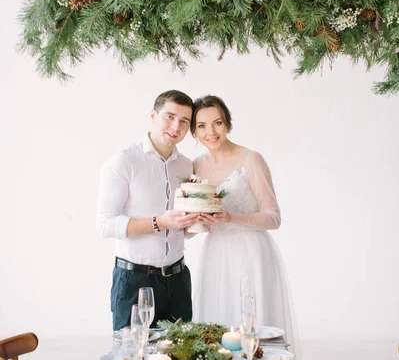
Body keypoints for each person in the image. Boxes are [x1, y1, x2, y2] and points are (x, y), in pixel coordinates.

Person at [191, 95, 297, 346]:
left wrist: (231, 217)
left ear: (227, 123)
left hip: (251, 254)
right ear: (194, 131)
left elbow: (273, 217)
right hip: (216, 255)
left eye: (217, 123)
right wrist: (198, 221)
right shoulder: (195, 166)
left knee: (253, 325)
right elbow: (197, 222)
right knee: (218, 328)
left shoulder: (251, 159)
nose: (211, 132)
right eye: (202, 126)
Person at [97, 90, 198, 331]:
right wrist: (159, 222)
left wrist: (196, 223)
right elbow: (105, 224)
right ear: (153, 115)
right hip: (135, 282)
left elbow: (182, 230)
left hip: (179, 280)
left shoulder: (186, 165)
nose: (176, 126)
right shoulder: (124, 160)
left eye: (184, 121)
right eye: (169, 116)